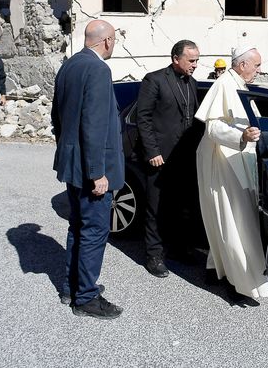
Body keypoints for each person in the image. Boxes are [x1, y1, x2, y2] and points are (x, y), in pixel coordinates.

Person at [51, 20, 125, 320]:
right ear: (106, 41)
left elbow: (57, 116)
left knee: (78, 227)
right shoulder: (98, 69)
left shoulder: (69, 65)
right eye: (115, 40)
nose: (114, 45)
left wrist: (68, 150)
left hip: (72, 164)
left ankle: (73, 286)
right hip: (90, 168)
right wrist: (97, 172)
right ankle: (86, 297)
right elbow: (94, 124)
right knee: (94, 230)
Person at [194, 46, 268, 302]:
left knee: (227, 221)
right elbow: (213, 127)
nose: (259, 70)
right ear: (243, 64)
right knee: (232, 222)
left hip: (237, 160)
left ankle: (217, 269)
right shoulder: (224, 84)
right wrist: (241, 136)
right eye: (257, 65)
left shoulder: (238, 83)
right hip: (223, 164)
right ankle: (238, 282)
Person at [131, 40, 201, 278]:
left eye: (197, 60)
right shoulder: (155, 80)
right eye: (191, 60)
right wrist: (152, 152)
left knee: (182, 206)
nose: (195, 65)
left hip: (184, 158)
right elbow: (144, 118)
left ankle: (180, 249)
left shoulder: (192, 83)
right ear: (175, 59)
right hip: (159, 157)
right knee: (156, 207)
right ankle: (154, 255)